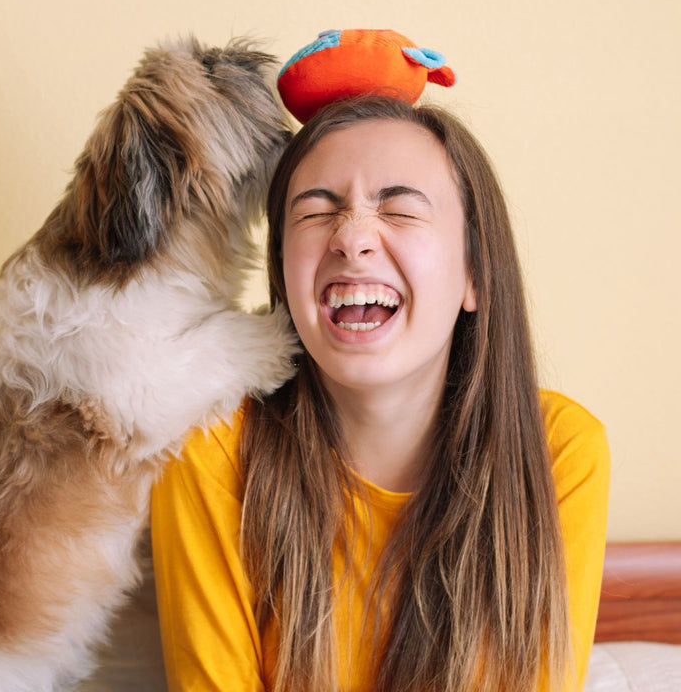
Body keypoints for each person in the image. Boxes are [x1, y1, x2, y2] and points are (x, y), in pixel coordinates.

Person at [150, 95, 609, 692]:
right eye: (316, 212)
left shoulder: (561, 454)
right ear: (282, 269)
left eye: (399, 210)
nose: (352, 238)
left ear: (474, 272)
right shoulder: (207, 449)